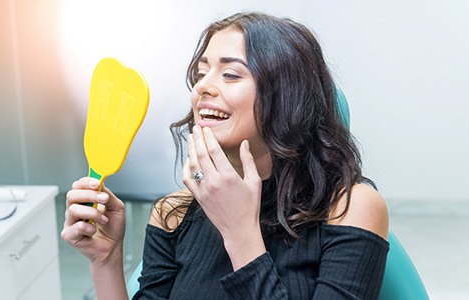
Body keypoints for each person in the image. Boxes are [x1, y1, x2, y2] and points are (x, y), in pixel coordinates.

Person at [62, 11, 389, 300]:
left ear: (289, 97)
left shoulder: (349, 208)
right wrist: (105, 262)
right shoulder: (171, 213)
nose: (203, 87)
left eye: (230, 74)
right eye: (201, 73)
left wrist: (239, 233)